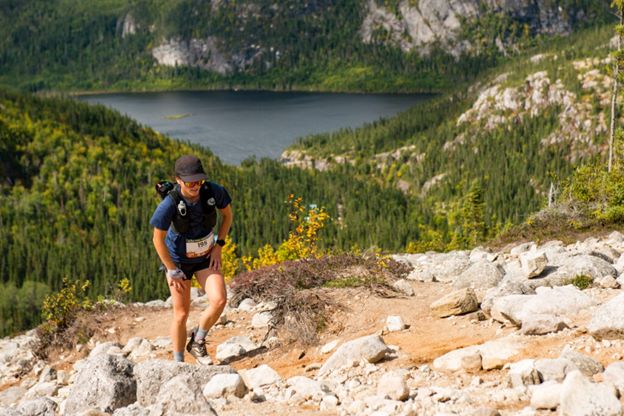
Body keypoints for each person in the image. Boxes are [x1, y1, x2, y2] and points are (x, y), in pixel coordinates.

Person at [150, 155, 233, 362]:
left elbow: (228, 216)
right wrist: (170, 268)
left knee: (220, 299)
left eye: (199, 181)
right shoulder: (170, 204)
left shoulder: (213, 191)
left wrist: (218, 246)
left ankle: (197, 341)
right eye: (190, 182)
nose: (195, 186)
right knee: (181, 314)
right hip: (179, 262)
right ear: (178, 180)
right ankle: (178, 363)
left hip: (206, 256)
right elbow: (157, 239)